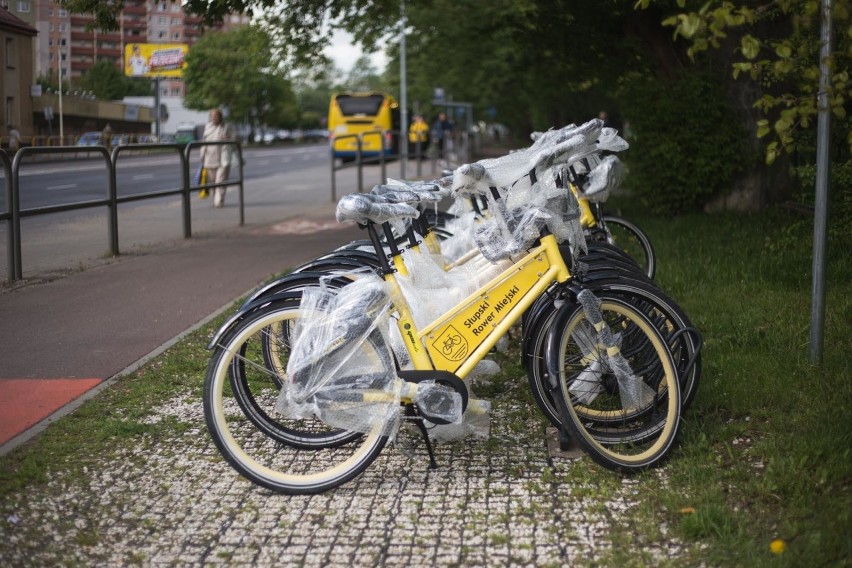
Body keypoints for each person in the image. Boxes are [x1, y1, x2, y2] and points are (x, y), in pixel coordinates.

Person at [199, 109, 235, 208]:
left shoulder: (226, 127)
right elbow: (204, 142)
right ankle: (217, 197)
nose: (214, 118)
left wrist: (228, 139)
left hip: (223, 158)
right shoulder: (208, 127)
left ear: (220, 117)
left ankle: (219, 201)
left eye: (216, 116)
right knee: (212, 182)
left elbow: (235, 139)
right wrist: (202, 156)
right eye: (212, 116)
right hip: (209, 159)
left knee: (220, 181)